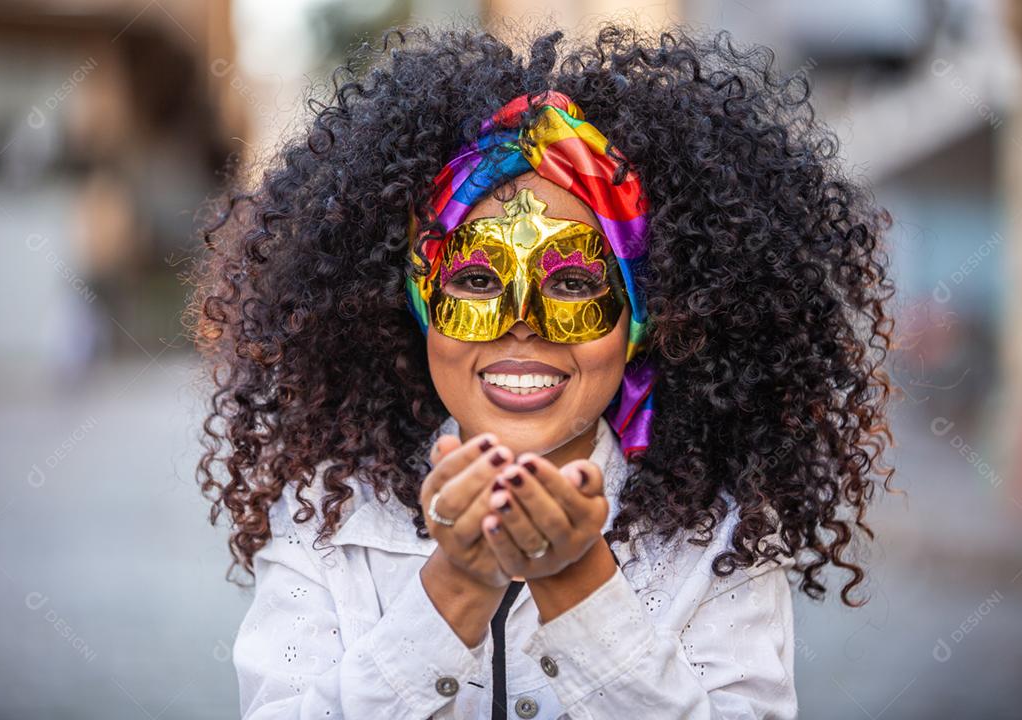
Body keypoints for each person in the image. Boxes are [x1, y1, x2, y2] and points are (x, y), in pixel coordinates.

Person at [187, 20, 895, 720]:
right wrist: (454, 589)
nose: (522, 320)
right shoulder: (327, 519)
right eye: (474, 277)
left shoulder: (719, 536)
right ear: (419, 298)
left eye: (574, 282)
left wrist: (578, 581)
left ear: (641, 314)